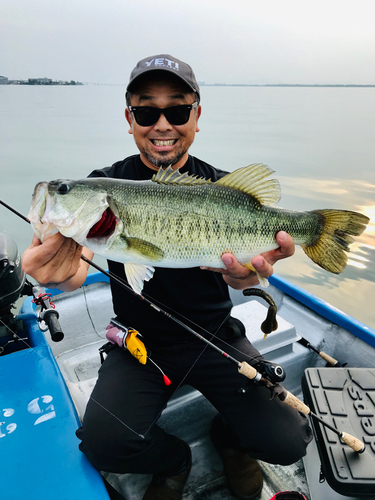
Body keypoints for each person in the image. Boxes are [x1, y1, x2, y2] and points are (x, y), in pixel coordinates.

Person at [22, 54, 312, 500]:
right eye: (146, 110)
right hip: (141, 344)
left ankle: (230, 439)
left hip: (216, 338)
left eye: (177, 110)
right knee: (103, 444)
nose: (162, 124)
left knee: (289, 442)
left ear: (196, 116)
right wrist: (58, 279)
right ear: (129, 117)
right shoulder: (106, 183)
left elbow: (251, 272)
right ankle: (174, 460)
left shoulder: (223, 188)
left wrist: (248, 277)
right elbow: (76, 267)